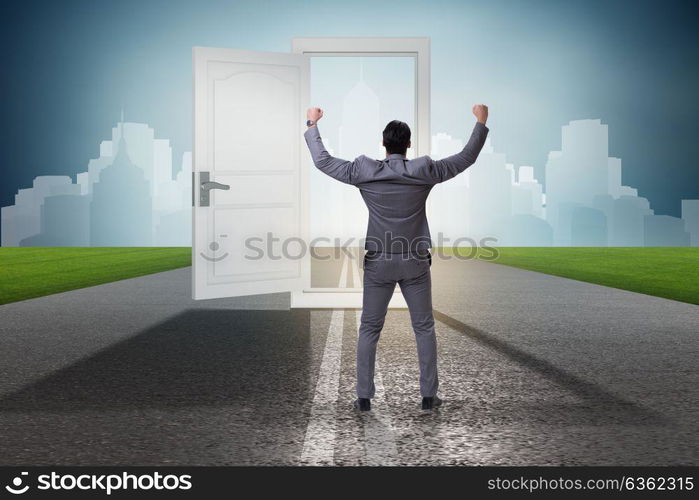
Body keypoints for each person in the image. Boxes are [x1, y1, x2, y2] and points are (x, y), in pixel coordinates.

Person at [304, 105, 489, 411]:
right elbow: (466, 157)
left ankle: (363, 397)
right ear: (409, 145)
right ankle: (429, 396)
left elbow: (322, 161)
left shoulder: (363, 171)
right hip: (415, 262)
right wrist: (481, 122)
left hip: (379, 262)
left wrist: (312, 124)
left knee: (369, 328)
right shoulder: (425, 170)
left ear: (383, 143)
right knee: (424, 328)